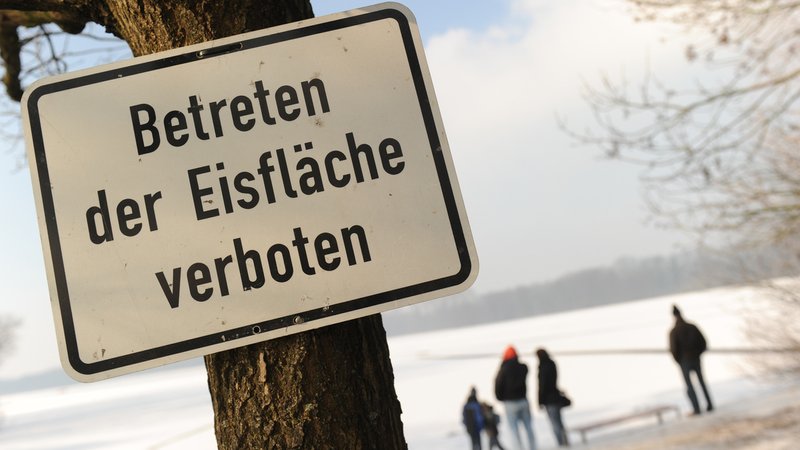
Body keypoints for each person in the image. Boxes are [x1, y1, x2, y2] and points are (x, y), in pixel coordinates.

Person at [669, 305, 714, 415]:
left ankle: (696, 408)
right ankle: (709, 405)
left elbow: (673, 349)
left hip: (685, 361)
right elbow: (703, 342)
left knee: (690, 385)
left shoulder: (674, 331)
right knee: (702, 383)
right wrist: (698, 354)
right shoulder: (692, 327)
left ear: (673, 316)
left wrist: (679, 360)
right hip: (695, 359)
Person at [494, 345, 536, 450]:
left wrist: (501, 398)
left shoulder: (503, 370)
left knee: (514, 429)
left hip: (510, 403)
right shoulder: (523, 367)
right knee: (528, 427)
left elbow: (498, 385)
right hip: (523, 400)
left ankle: (518, 448)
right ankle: (533, 447)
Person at [536, 348, 569, 447]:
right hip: (555, 396)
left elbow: (542, 385)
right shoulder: (552, 364)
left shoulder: (543, 367)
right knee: (560, 422)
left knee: (555, 423)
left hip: (549, 399)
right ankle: (565, 442)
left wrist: (540, 401)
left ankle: (561, 444)